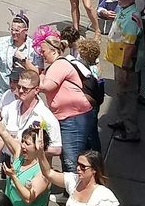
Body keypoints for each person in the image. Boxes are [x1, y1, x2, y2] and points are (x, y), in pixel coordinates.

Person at [39, 30, 101, 169]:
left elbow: (46, 86)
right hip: (72, 117)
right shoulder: (55, 65)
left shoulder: (59, 65)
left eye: (43, 51)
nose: (41, 55)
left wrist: (28, 66)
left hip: (73, 118)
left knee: (71, 160)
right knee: (80, 156)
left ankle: (74, 189)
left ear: (53, 51)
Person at [99, 0, 143, 143]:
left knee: (128, 96)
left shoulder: (133, 18)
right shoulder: (124, 10)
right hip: (117, 61)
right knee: (120, 93)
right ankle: (122, 120)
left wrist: (124, 68)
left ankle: (131, 131)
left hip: (126, 64)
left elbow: (130, 45)